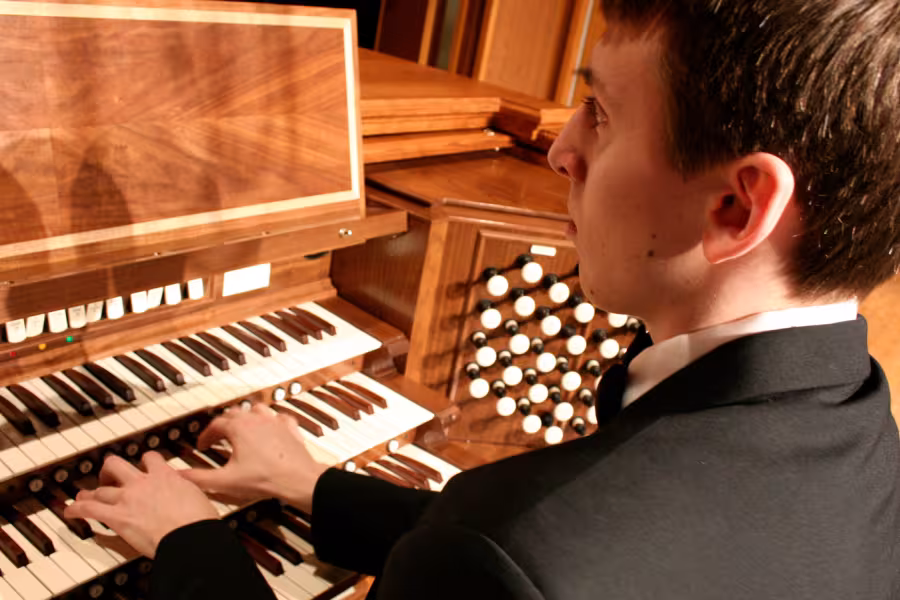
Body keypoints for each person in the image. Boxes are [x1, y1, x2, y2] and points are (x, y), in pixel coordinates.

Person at [67, 1, 900, 598]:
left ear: (737, 207)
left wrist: (189, 545)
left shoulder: (511, 549)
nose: (560, 148)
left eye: (602, 114)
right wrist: (315, 486)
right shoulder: (855, 429)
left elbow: (512, 558)